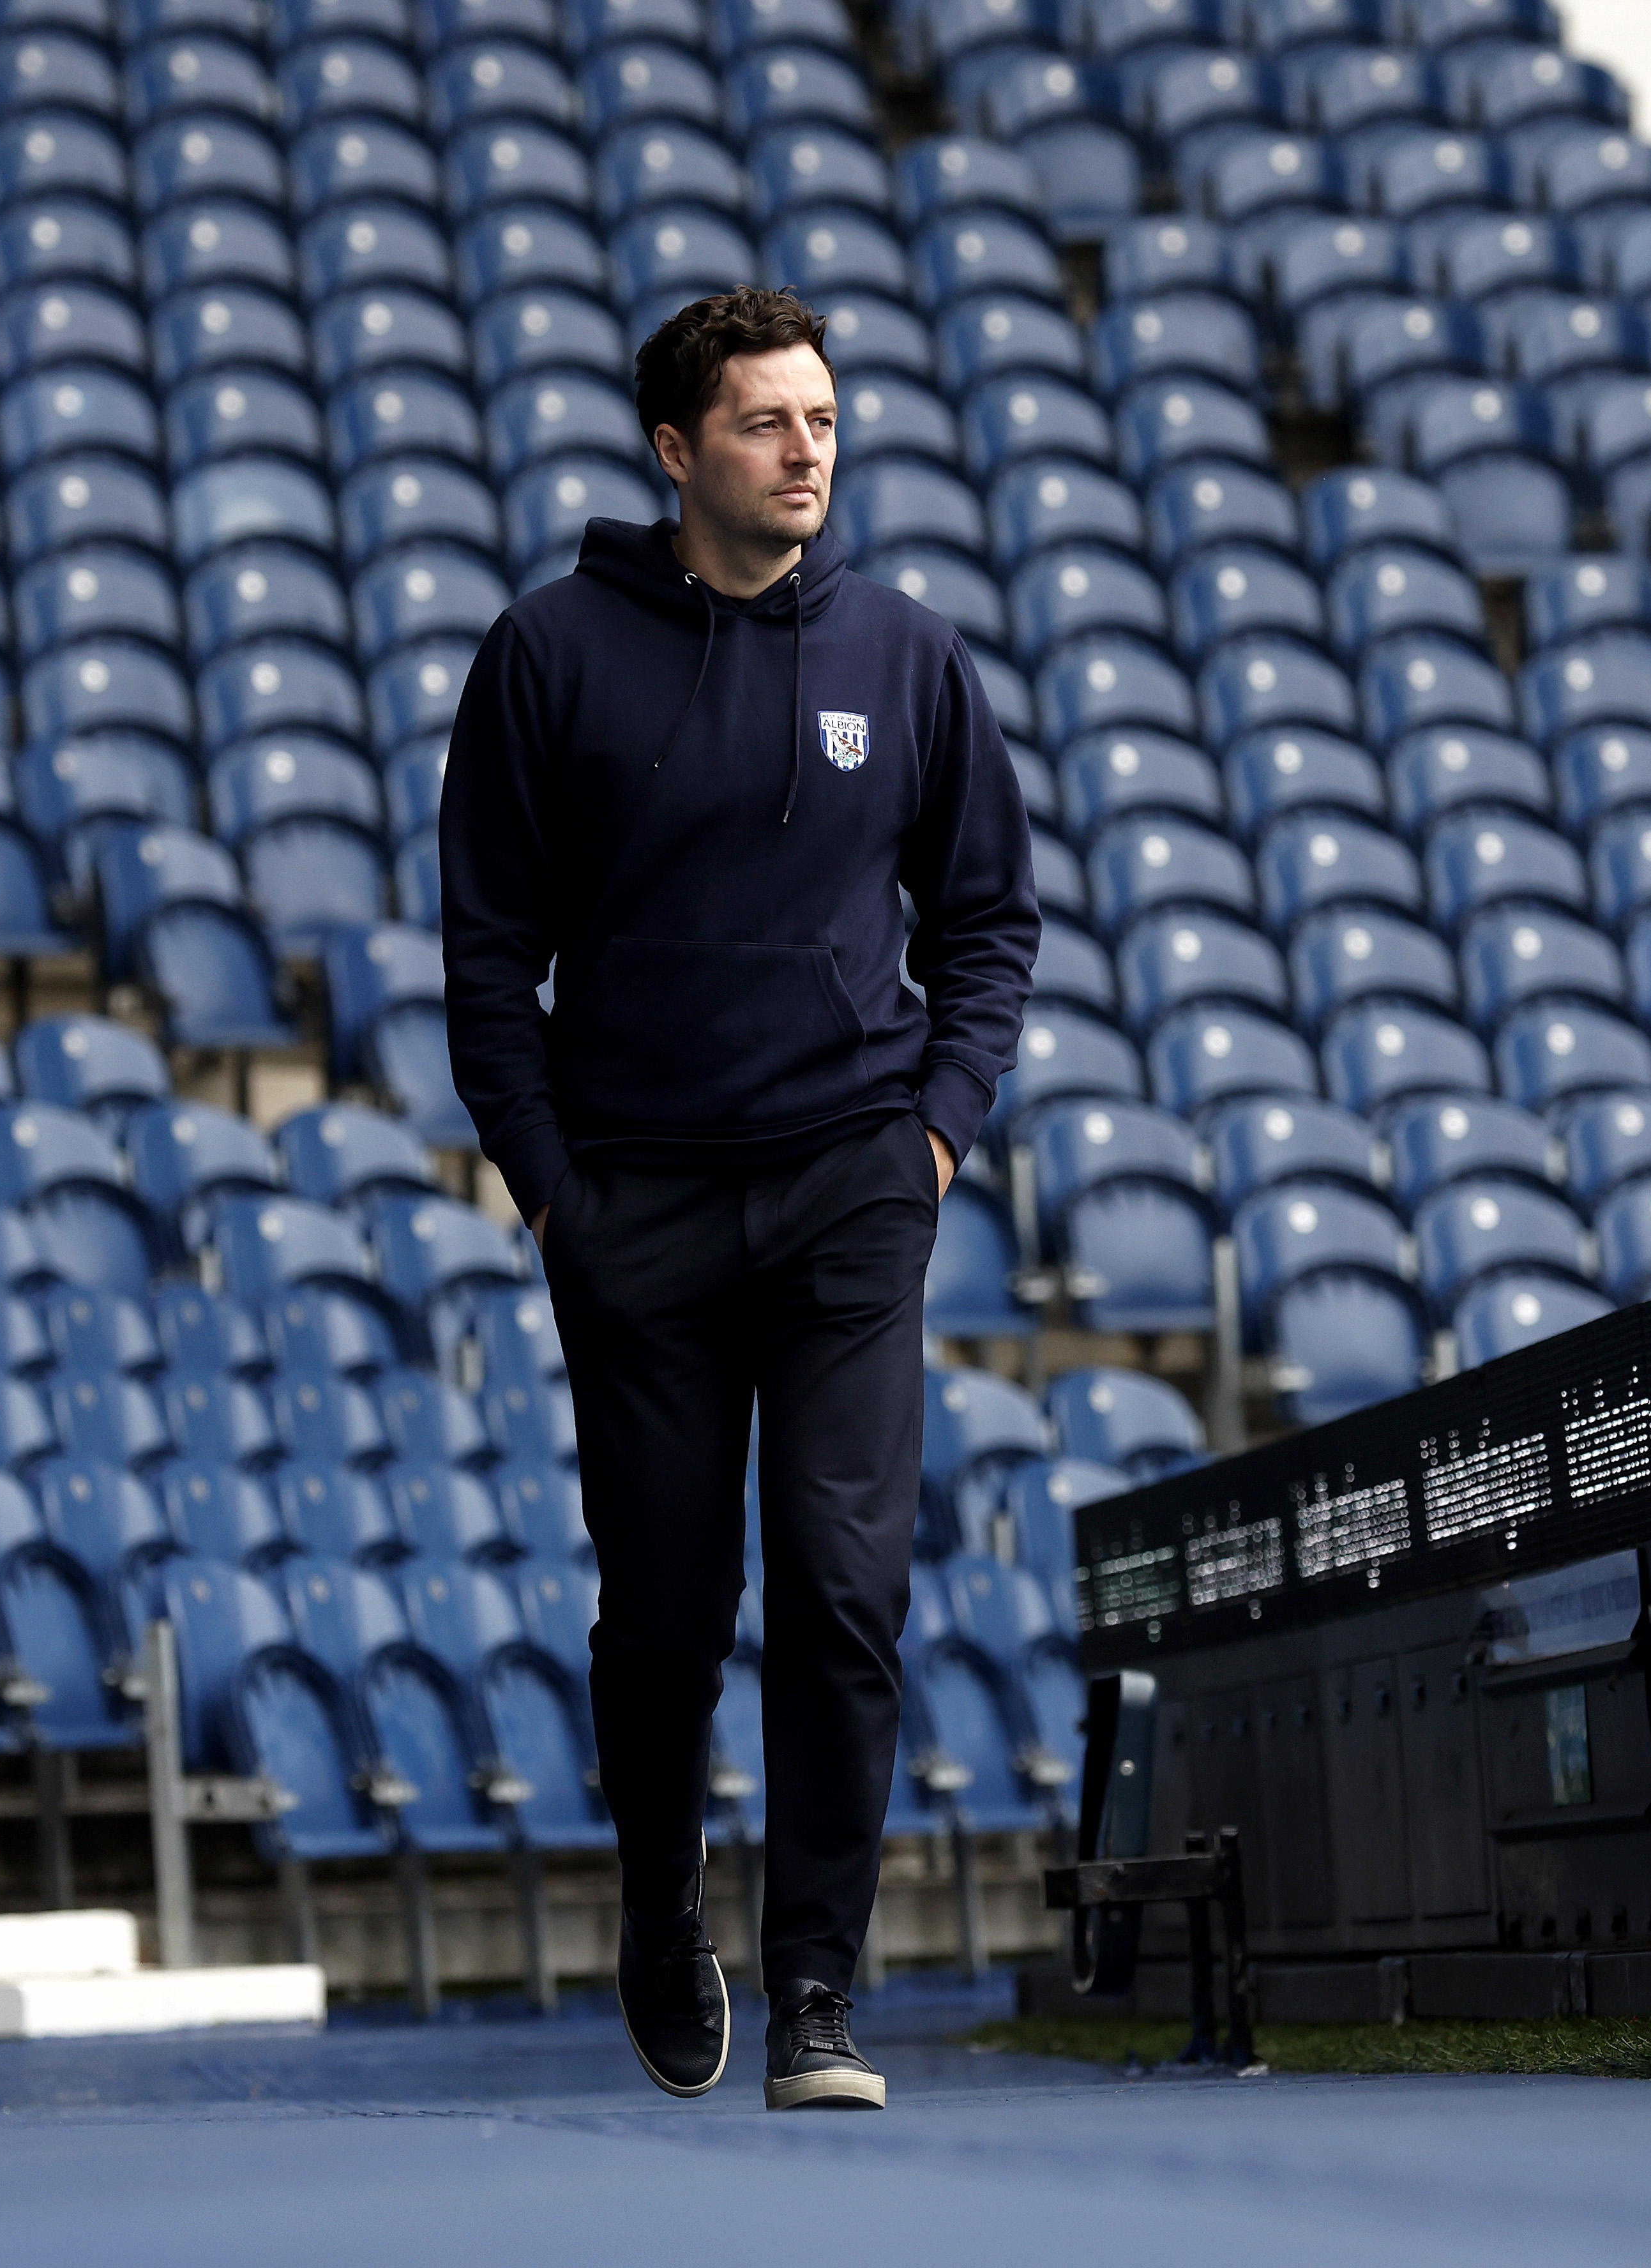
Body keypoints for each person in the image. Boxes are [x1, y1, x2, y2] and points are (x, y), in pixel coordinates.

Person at [438, 286, 1039, 2110]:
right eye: (770, 423)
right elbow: (486, 961)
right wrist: (552, 1193)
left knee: (848, 1595)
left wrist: (933, 1135)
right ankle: (654, 1899)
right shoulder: (547, 656)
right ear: (677, 450)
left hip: (854, 1189)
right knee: (670, 1617)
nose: (808, 452)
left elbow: (991, 922)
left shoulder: (913, 660)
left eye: (827, 421)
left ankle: (819, 2000)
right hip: (639, 1213)